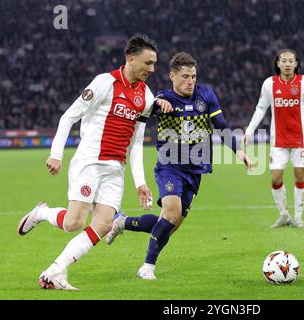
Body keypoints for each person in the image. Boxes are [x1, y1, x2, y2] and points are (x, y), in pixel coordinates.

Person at [16, 34, 172, 290]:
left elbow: (136, 143)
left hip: (116, 169)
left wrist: (140, 182)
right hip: (90, 161)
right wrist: (56, 154)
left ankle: (55, 272)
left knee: (103, 225)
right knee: (74, 223)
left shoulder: (145, 96)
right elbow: (68, 117)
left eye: (154, 64)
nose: (152, 69)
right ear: (130, 59)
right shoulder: (105, 82)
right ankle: (41, 212)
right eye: (148, 63)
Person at [105, 52, 252, 280]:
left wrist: (239, 150)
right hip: (169, 165)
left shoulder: (206, 94)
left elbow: (221, 126)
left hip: (196, 171)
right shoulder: (164, 98)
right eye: (185, 76)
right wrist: (155, 104)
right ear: (172, 76)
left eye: (193, 76)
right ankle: (147, 266)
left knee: (168, 225)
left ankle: (122, 222)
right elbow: (144, 108)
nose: (190, 81)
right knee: (171, 214)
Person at [244, 49, 304, 228]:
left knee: (299, 175)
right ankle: (283, 214)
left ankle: (298, 216)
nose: (287, 64)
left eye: (291, 61)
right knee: (275, 178)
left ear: (296, 63)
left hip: (301, 139)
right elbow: (260, 108)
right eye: (284, 61)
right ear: (278, 64)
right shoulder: (269, 84)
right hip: (278, 139)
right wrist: (249, 131)